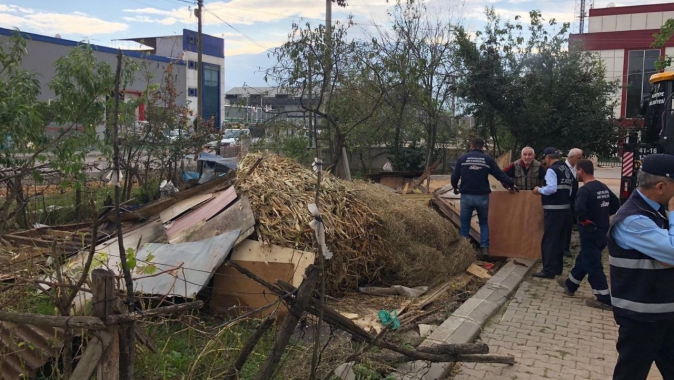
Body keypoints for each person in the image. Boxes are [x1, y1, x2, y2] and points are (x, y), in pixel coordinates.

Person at [607, 154, 674, 380]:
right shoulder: (633, 219)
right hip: (642, 318)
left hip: (664, 312)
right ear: (661, 186)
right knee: (631, 374)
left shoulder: (656, 212)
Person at [557, 159, 619, 309]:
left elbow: (579, 208)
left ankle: (603, 297)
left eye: (576, 171)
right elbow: (616, 203)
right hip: (603, 230)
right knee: (585, 257)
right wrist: (604, 214)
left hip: (590, 231)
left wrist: (585, 221)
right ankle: (571, 284)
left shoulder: (584, 190)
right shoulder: (601, 187)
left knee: (593, 264)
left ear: (581, 171)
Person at [451, 138, 518, 256]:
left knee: (465, 223)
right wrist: (511, 184)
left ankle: (464, 251)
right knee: (483, 223)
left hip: (466, 196)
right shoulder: (488, 160)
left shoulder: (462, 158)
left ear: (471, 145)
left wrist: (455, 187)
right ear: (482, 147)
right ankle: (485, 249)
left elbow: (455, 176)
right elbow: (499, 174)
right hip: (482, 197)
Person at [531, 147, 574, 278]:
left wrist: (539, 190)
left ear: (548, 158)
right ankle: (557, 268)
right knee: (560, 240)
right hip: (566, 210)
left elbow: (551, 188)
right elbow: (571, 190)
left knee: (549, 240)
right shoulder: (566, 169)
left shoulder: (552, 170)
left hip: (553, 210)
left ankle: (548, 270)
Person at [563, 148, 583, 257]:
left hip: (572, 199)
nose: (580, 160)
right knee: (564, 224)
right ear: (571, 157)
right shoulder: (563, 168)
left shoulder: (577, 168)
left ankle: (566, 246)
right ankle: (562, 247)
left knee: (569, 223)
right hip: (564, 199)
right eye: (579, 158)